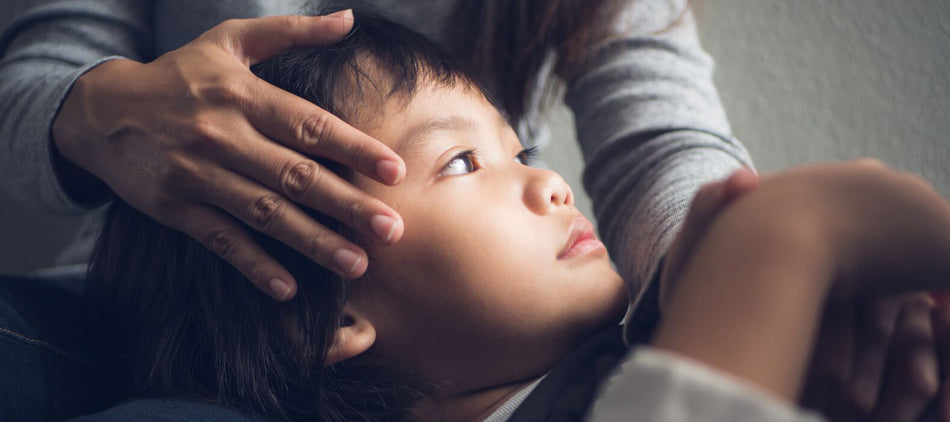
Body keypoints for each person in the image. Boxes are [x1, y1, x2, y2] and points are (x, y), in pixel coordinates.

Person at [0, 1, 943, 420]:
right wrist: (787, 240)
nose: (551, 182)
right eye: (462, 160)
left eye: (519, 148)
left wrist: (729, 256)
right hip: (146, 315)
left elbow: (661, 144)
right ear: (346, 314)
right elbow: (43, 63)